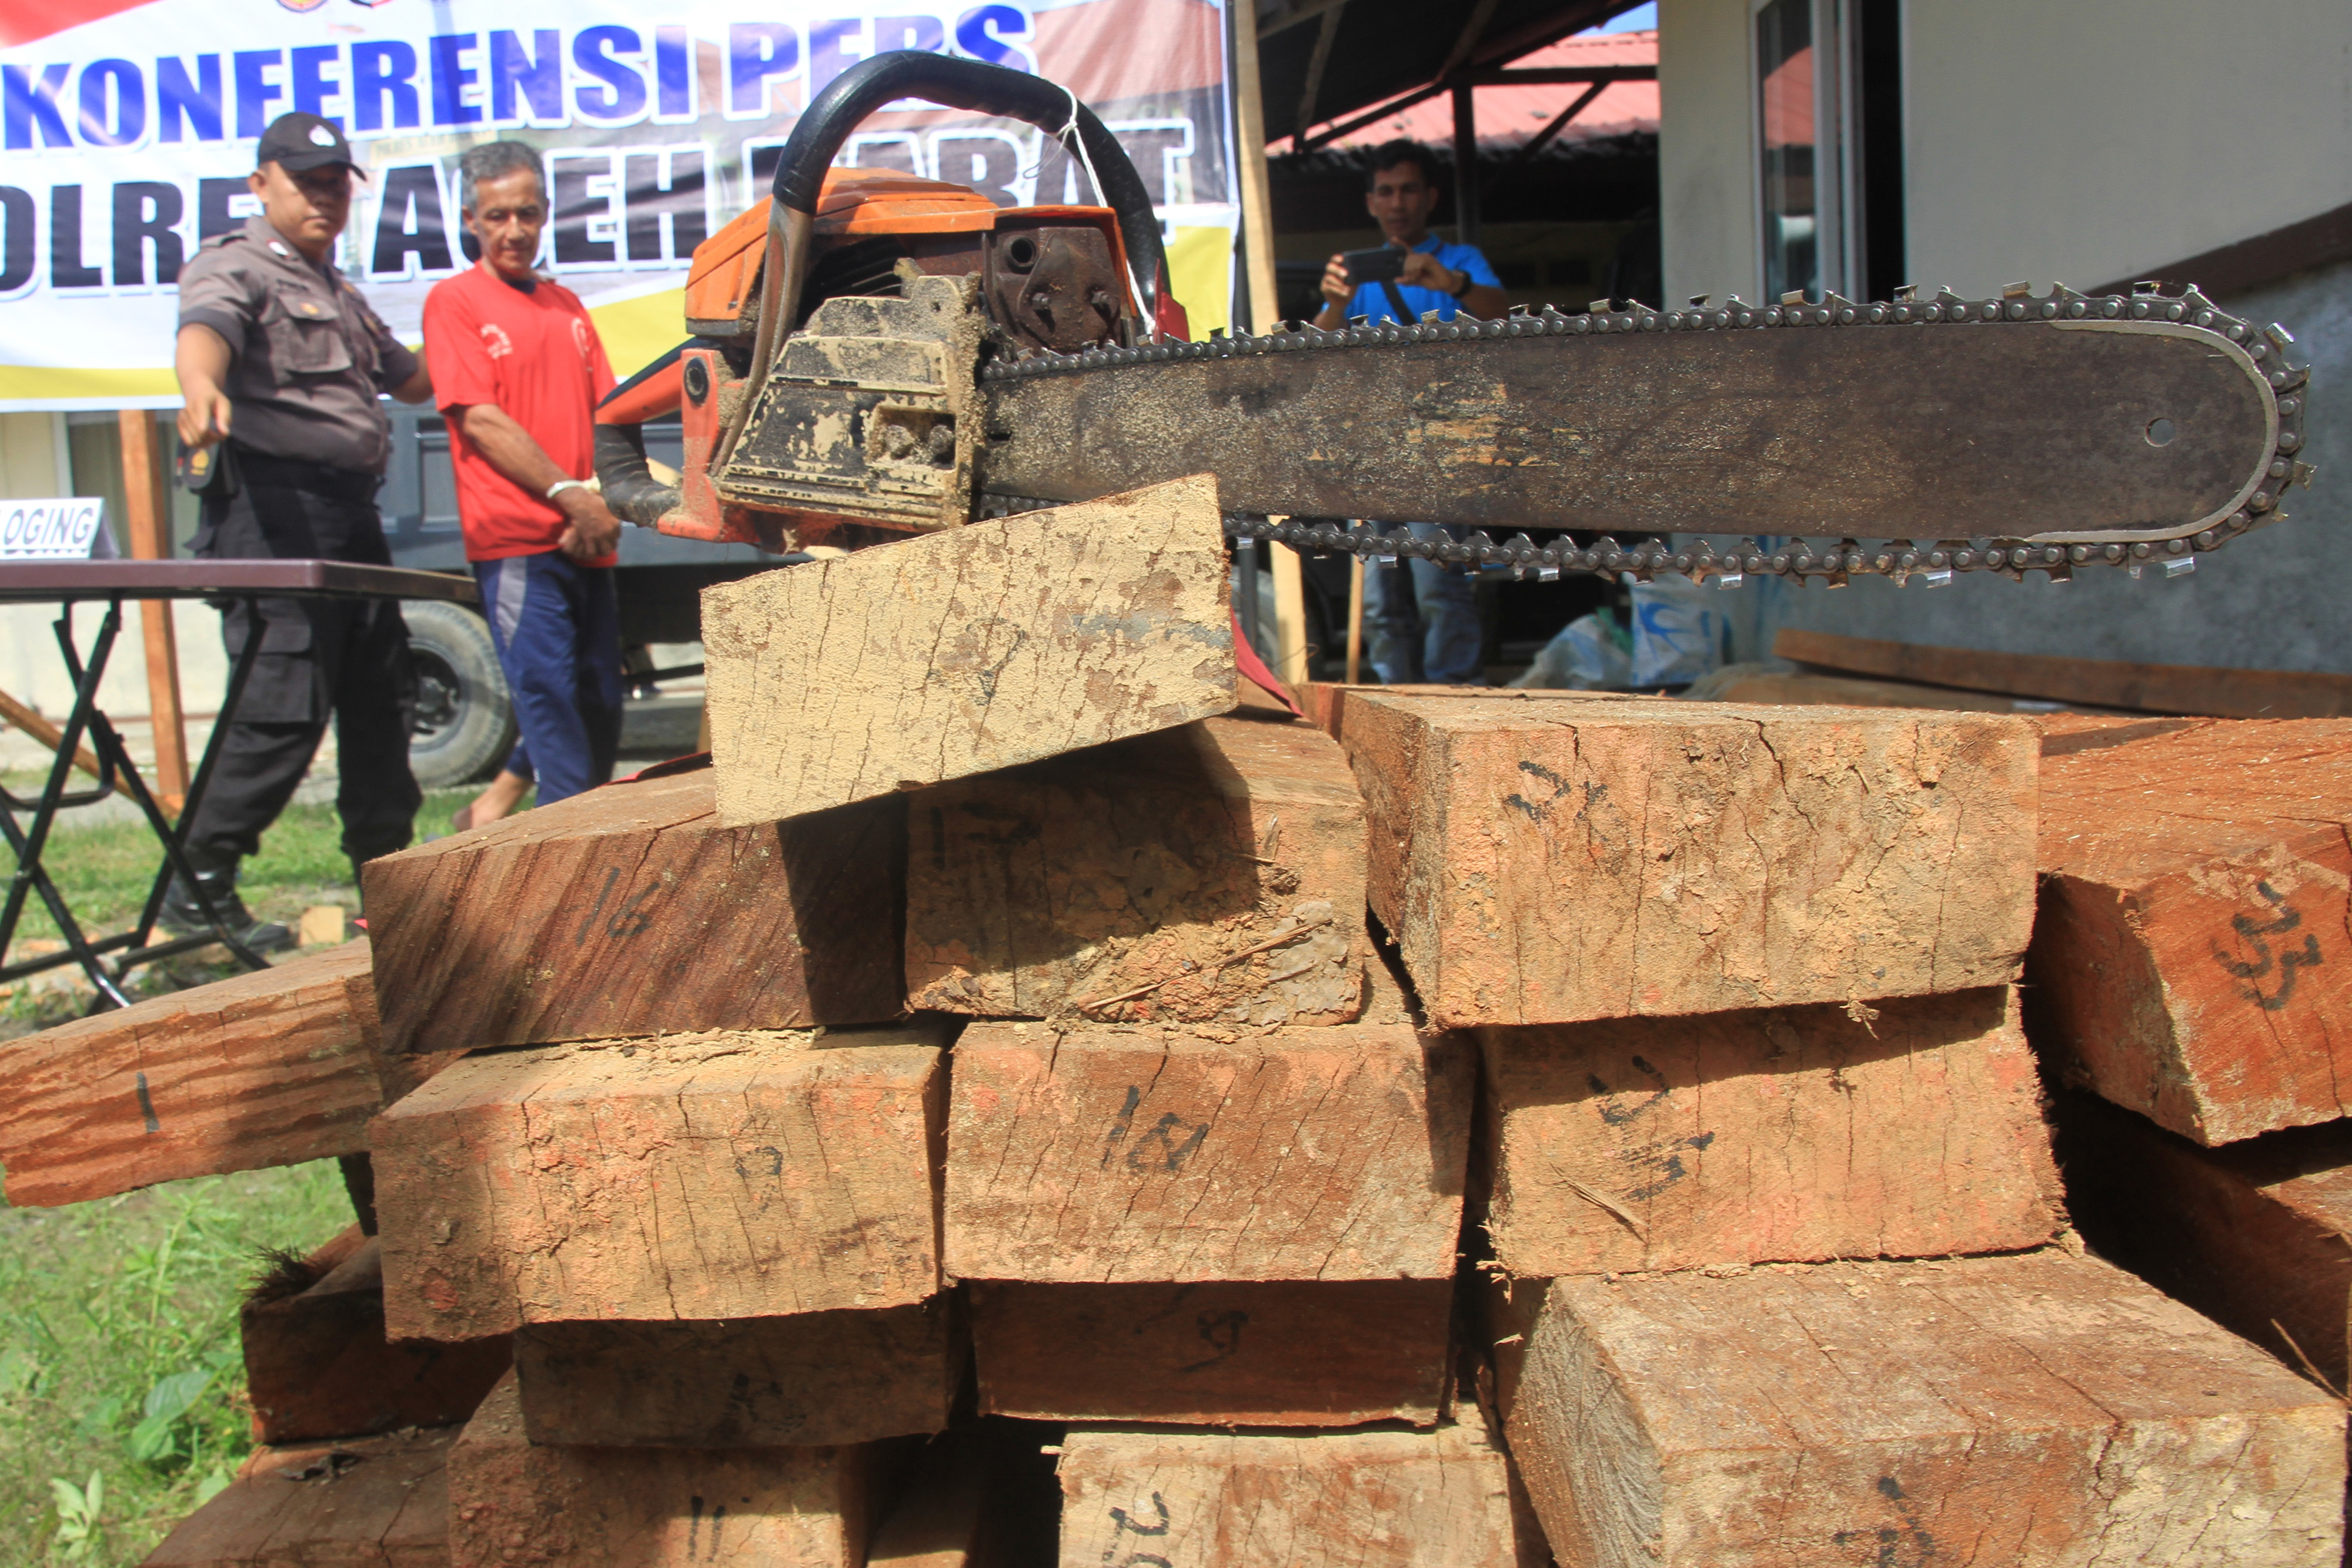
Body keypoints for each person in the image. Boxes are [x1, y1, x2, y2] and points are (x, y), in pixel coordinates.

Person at [172, 112, 434, 950]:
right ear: (261, 184)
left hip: (351, 516)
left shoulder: (340, 291)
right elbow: (206, 328)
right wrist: (200, 388)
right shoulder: (238, 263)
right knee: (280, 707)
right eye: (305, 180)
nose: (324, 196)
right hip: (272, 512)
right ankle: (197, 892)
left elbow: (417, 380)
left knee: (381, 697)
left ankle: (385, 885)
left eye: (334, 183)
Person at [422, 141, 625, 815]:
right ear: (471, 220)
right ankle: (570, 875)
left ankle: (508, 820)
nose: (514, 230)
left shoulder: (566, 306)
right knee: (552, 709)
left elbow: (607, 415)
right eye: (497, 215)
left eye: (528, 214)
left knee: (599, 701)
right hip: (518, 543)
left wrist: (610, 501)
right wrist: (568, 497)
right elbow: (479, 420)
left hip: (585, 540)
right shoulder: (454, 302)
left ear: (545, 215)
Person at [1313, 141, 1506, 687]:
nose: (1398, 202)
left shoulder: (1462, 261)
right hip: (1374, 447)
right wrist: (1332, 303)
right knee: (1380, 596)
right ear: (1371, 202)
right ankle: (1396, 697)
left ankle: (1455, 696)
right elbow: (1314, 351)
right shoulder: (1355, 275)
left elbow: (1508, 314)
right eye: (1386, 191)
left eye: (1409, 189)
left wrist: (1452, 285)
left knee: (1439, 586)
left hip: (1446, 444)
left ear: (1431, 197)